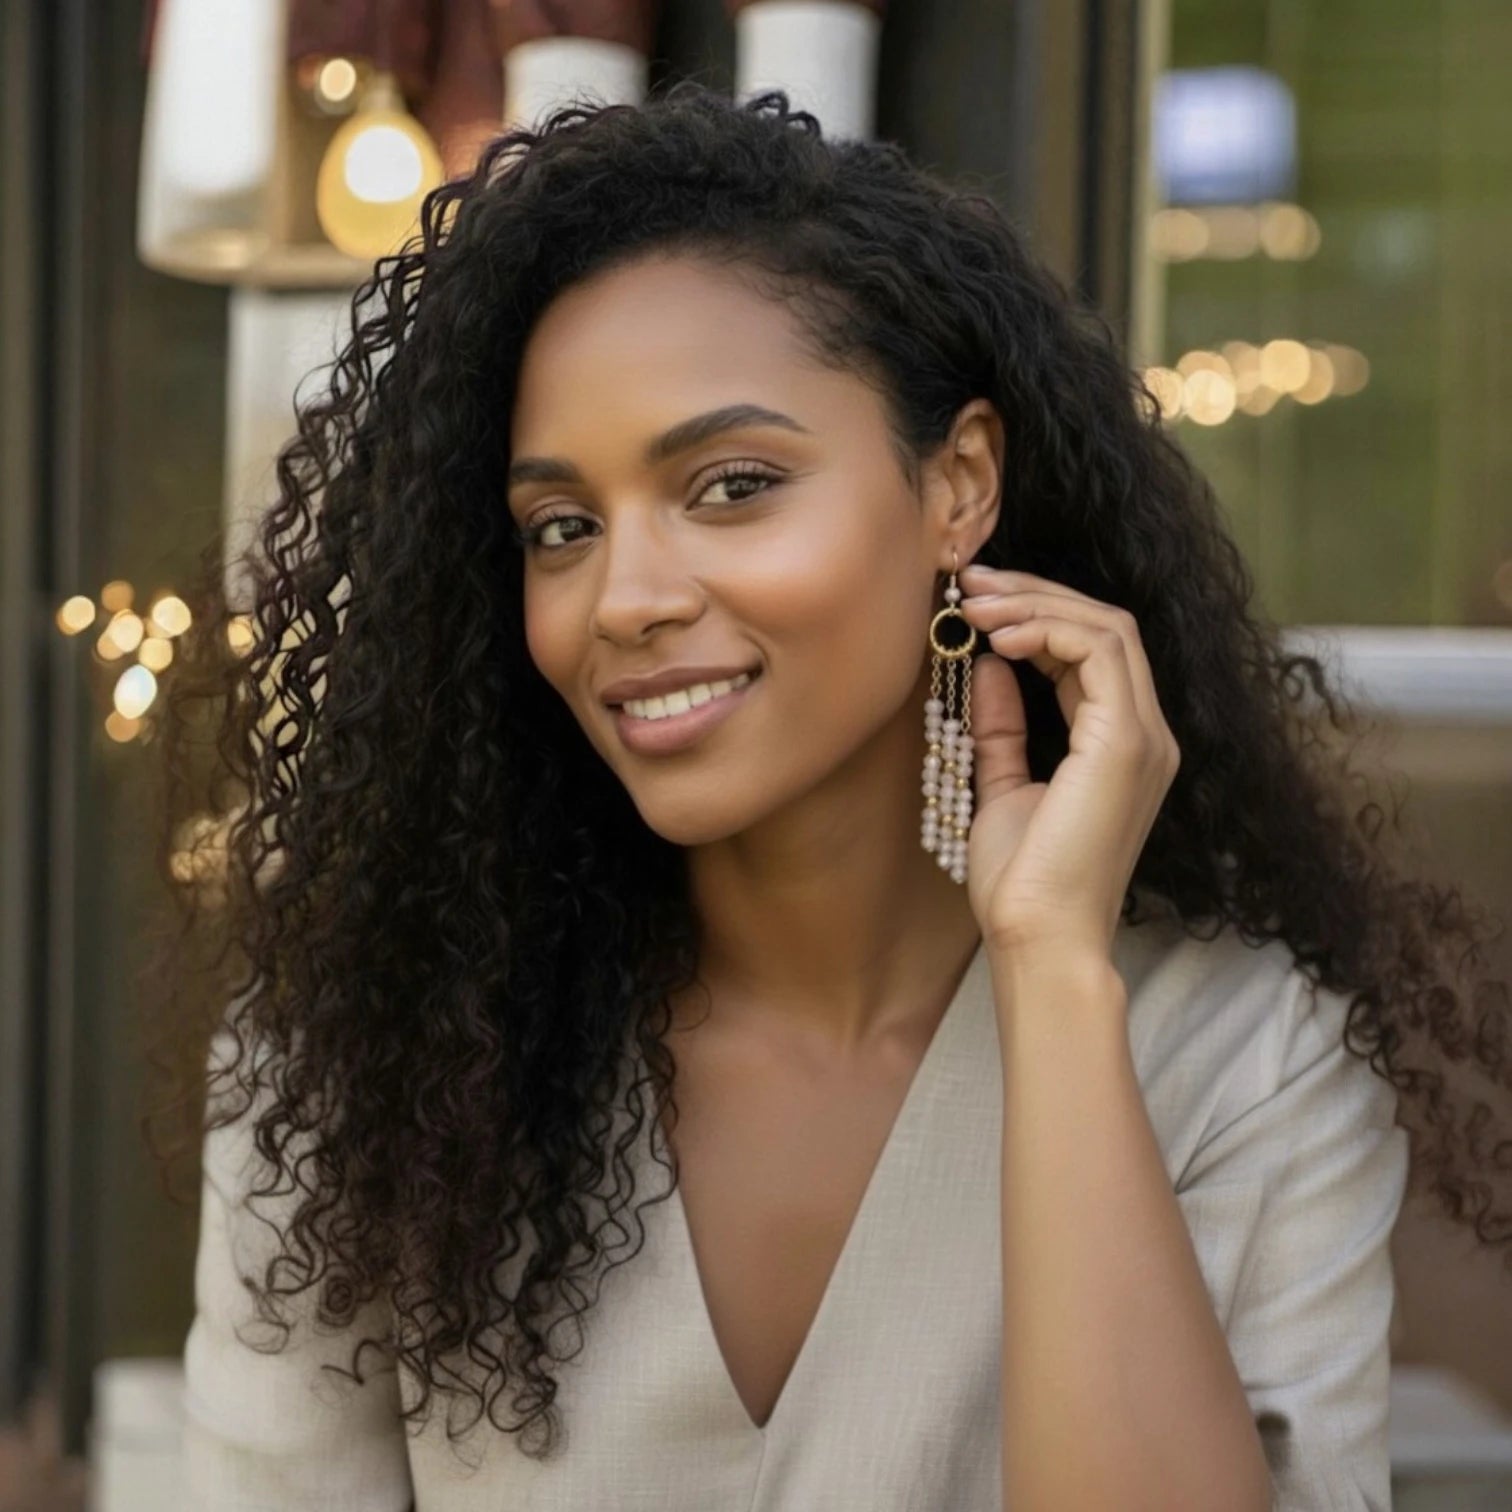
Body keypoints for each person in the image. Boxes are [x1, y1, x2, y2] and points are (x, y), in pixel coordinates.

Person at [144, 83, 1510, 1511]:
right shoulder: (381, 1059)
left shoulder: (1238, 1061)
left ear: (958, 485)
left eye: (733, 485)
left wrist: (1051, 974)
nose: (629, 598)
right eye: (562, 527)